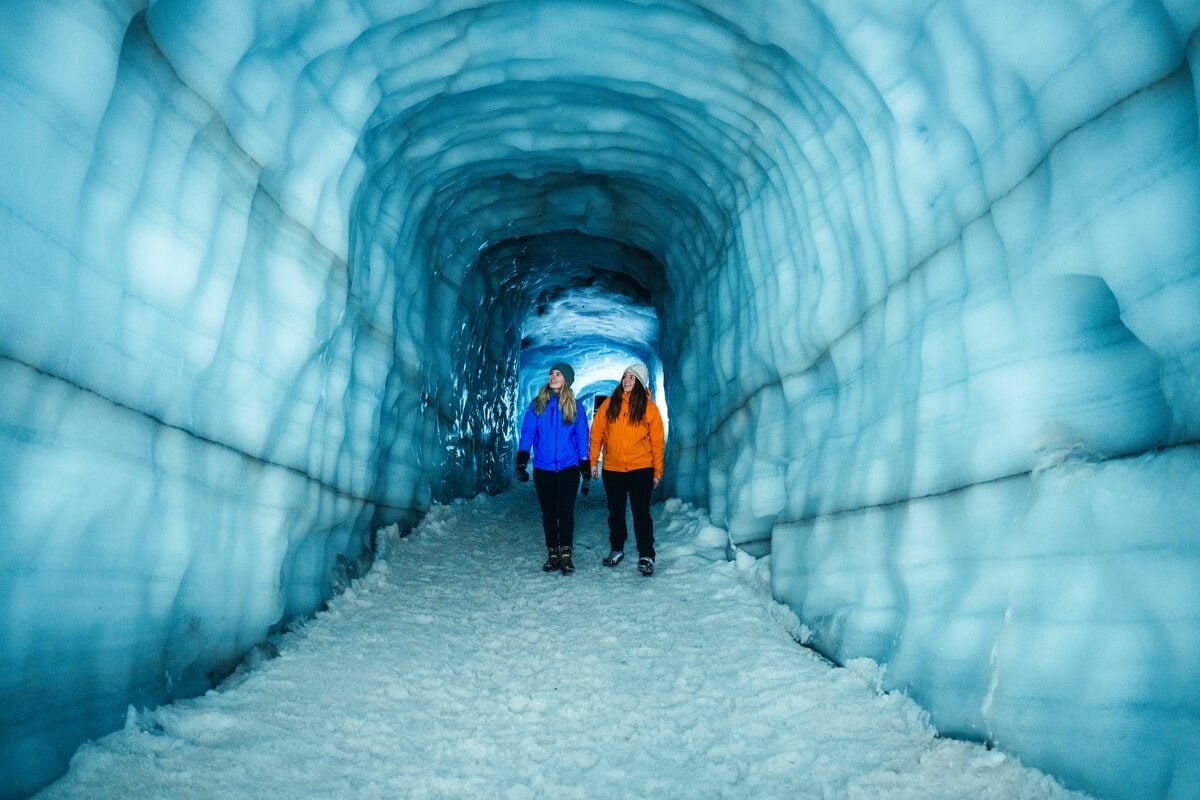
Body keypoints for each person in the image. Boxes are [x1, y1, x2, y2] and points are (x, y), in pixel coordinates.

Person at [589, 362, 665, 576]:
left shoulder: (649, 409)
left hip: (641, 468)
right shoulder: (609, 404)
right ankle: (617, 549)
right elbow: (597, 433)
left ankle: (646, 554)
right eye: (625, 377)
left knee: (641, 512)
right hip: (613, 468)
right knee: (616, 511)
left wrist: (657, 471)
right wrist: (593, 461)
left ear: (639, 382)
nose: (627, 380)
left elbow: (657, 441)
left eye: (632, 377)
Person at [515, 362, 591, 574]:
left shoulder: (576, 407)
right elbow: (528, 432)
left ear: (566, 380)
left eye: (558, 374)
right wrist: (522, 457)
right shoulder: (537, 404)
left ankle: (566, 555)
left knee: (565, 511)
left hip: (568, 466)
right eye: (551, 373)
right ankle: (553, 553)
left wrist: (584, 463)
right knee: (548, 512)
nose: (553, 377)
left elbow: (582, 436)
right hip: (543, 467)